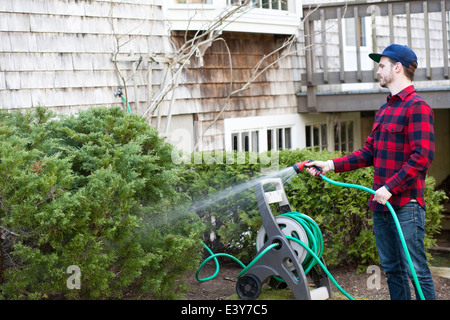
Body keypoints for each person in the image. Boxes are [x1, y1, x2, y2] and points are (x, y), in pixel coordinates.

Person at [306, 44, 436, 300]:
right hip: (382, 206)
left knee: (416, 270)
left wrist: (389, 188)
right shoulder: (385, 110)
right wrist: (329, 164)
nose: (378, 71)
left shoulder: (417, 107)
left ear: (397, 68)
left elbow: (422, 158)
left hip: (406, 205)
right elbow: (368, 153)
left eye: (382, 65)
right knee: (393, 270)